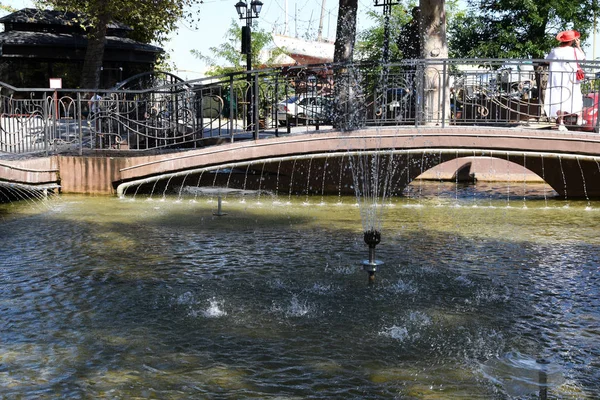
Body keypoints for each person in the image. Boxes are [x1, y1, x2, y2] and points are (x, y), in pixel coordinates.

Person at [543, 30, 586, 131]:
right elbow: (583, 58)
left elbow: (546, 61)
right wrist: (578, 46)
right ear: (571, 41)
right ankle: (579, 117)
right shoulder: (574, 50)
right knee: (575, 96)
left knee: (558, 100)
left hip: (557, 79)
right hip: (571, 79)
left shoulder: (555, 51)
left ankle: (561, 122)